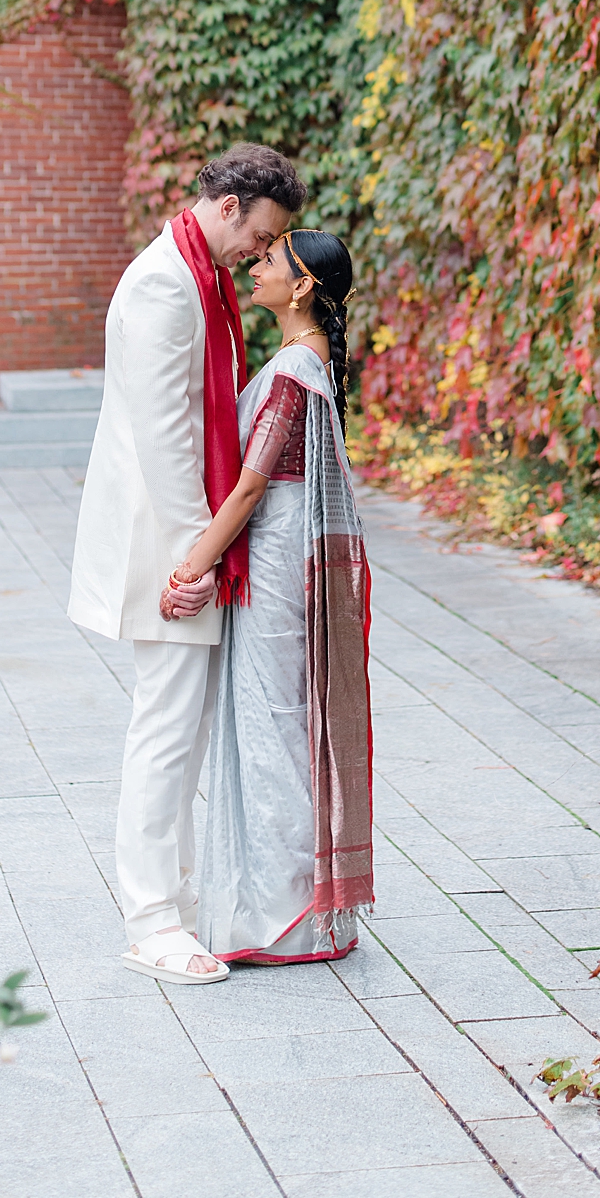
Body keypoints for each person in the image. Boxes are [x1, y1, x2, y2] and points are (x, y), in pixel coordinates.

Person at [67, 142, 305, 987]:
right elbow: (169, 440)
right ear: (233, 204)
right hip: (167, 546)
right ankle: (151, 919)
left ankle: (173, 894)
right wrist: (194, 562)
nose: (260, 255)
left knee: (179, 727)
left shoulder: (191, 270)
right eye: (263, 235)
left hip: (181, 540)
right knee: (166, 731)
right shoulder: (170, 284)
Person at [181, 229, 375, 965]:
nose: (254, 266)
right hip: (289, 553)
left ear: (300, 288)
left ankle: (285, 919)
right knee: (285, 724)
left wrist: (193, 567)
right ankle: (295, 909)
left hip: (276, 554)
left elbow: (252, 485)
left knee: (272, 728)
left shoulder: (295, 369)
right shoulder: (306, 362)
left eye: (269, 260)